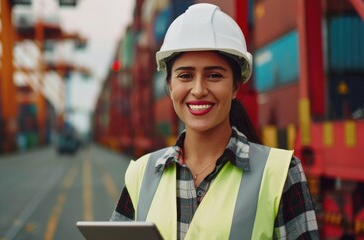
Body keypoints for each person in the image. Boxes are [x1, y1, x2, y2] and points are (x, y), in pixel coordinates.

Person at [110, 3, 319, 239]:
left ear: (236, 87)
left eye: (214, 75)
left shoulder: (282, 174)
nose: (198, 90)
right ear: (170, 86)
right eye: (185, 76)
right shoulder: (140, 174)